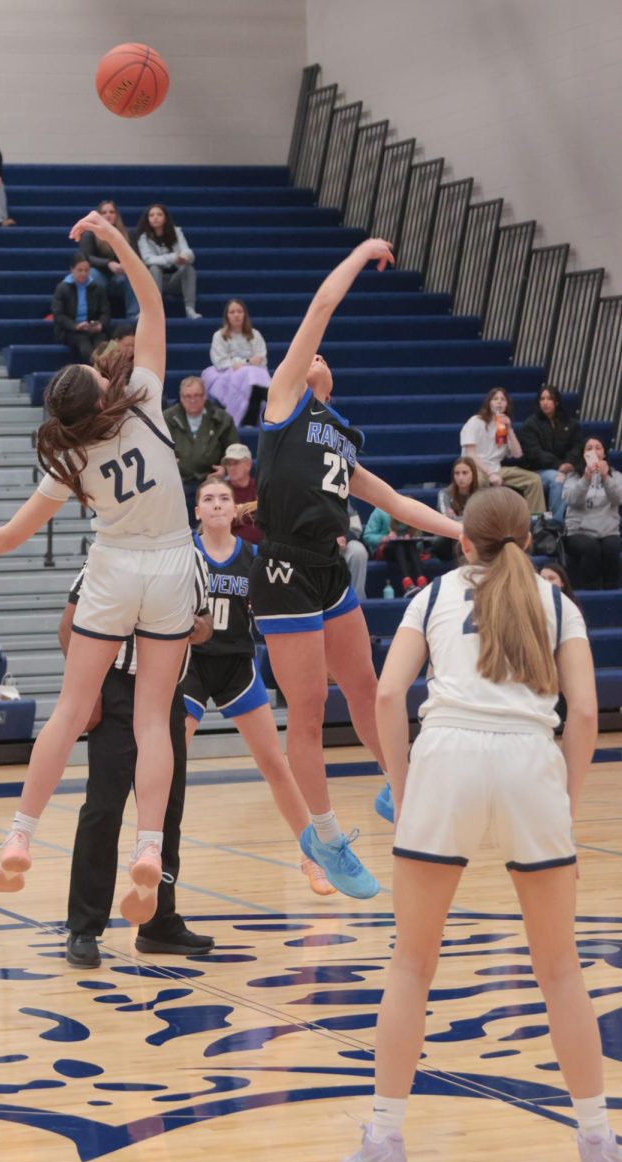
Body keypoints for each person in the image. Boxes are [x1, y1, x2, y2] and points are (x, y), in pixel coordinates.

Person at [0, 209, 196, 927]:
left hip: (114, 569)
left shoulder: (67, 454)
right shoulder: (147, 400)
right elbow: (152, 301)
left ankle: (20, 832)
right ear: (100, 390)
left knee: (69, 710)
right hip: (171, 567)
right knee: (154, 720)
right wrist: (113, 239)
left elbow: (6, 537)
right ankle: (148, 847)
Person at [338, 487, 620, 1162]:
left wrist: (403, 793)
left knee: (410, 966)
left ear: (463, 541)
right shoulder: (559, 604)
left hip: (449, 760)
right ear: (526, 538)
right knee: (560, 971)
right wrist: (566, 806)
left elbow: (383, 696)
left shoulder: (431, 597)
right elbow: (582, 714)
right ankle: (595, 1141)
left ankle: (386, 1140)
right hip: (529, 763)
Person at [247, 237, 462, 898]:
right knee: (308, 714)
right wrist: (363, 249)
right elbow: (321, 303)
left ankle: (398, 791)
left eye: (321, 358)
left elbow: (394, 501)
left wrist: (464, 532)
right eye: (308, 353)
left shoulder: (338, 438)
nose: (314, 356)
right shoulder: (282, 402)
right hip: (283, 569)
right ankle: (325, 836)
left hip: (328, 566)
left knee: (366, 690)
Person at [60, 546, 216, 964]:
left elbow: (205, 624)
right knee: (103, 809)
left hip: (167, 692)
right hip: (116, 690)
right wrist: (88, 691)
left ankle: (159, 922)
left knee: (167, 810)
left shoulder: (192, 559)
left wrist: (199, 630)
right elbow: (69, 623)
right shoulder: (110, 552)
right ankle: (84, 928)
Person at [187, 477, 335, 896]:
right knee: (169, 761)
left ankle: (311, 855)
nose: (216, 505)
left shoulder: (253, 558)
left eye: (223, 499)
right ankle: (152, 850)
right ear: (196, 511)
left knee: (275, 763)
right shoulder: (183, 554)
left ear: (235, 511)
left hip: (237, 664)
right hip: (191, 666)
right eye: (208, 499)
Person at [460, 387, 546, 515]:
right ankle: (483, 519)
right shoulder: (475, 422)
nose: (499, 402)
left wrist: (510, 429)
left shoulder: (503, 426)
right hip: (476, 468)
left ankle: (536, 520)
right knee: (481, 481)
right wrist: (489, 474)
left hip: (497, 468)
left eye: (503, 400)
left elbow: (518, 454)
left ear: (507, 404)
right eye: (495, 399)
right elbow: (470, 454)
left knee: (534, 480)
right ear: (489, 403)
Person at [164, 377, 239, 516]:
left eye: (197, 395)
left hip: (211, 481)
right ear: (181, 397)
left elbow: (234, 450)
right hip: (178, 482)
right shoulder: (167, 418)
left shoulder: (222, 419)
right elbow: (155, 448)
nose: (192, 400)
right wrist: (166, 460)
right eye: (188, 396)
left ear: (204, 396)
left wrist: (225, 469)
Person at [563, 437, 622, 590]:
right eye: (589, 448)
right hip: (578, 531)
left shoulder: (615, 476)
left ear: (604, 454)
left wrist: (605, 478)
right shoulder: (573, 476)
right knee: (591, 547)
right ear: (583, 454)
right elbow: (572, 500)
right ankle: (591, 593)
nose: (594, 451)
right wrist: (586, 479)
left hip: (608, 531)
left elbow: (618, 499)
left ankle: (612, 595)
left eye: (598, 447)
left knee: (612, 547)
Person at [518, 383, 584, 521]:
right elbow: (534, 453)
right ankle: (555, 524)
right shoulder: (530, 424)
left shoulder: (570, 423)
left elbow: (577, 447)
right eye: (542, 399)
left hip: (567, 467)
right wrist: (559, 465)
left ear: (557, 401)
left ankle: (576, 524)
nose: (545, 403)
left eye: (549, 399)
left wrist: (569, 463)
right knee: (557, 479)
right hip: (538, 470)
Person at [201, 299, 271, 426]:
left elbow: (261, 360)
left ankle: (251, 420)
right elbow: (220, 362)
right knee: (249, 377)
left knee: (253, 377)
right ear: (227, 316)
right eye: (232, 312)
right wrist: (248, 361)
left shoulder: (255, 335)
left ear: (245, 314)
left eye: (239, 311)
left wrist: (242, 364)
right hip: (227, 373)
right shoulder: (219, 336)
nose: (236, 315)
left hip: (253, 373)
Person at [136, 203, 201, 319]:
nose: (155, 217)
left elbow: (187, 251)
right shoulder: (143, 237)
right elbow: (148, 259)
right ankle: (154, 309)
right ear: (147, 219)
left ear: (165, 217)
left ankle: (189, 308)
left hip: (175, 279)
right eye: (152, 215)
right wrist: (172, 258)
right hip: (155, 279)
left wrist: (185, 257)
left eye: (159, 214)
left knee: (189, 268)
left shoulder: (176, 232)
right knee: (154, 268)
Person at [80, 199, 139, 320]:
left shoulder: (127, 234)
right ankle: (97, 317)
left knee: (134, 273)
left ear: (116, 215)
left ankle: (133, 316)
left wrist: (125, 265)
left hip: (119, 276)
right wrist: (108, 264)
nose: (108, 215)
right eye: (104, 212)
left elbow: (135, 257)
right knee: (92, 275)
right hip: (99, 273)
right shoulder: (89, 234)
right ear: (99, 215)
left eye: (111, 212)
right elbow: (86, 257)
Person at [52, 252, 111, 363]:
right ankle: (95, 369)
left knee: (102, 343)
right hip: (70, 330)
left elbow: (105, 312)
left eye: (86, 270)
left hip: (92, 328)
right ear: (72, 270)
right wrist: (76, 326)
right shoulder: (62, 288)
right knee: (84, 342)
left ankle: (103, 368)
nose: (84, 274)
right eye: (80, 270)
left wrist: (100, 324)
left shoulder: (97, 288)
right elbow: (58, 315)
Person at [362, 509, 428, 597]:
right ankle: (407, 584)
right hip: (384, 550)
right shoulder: (379, 512)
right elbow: (367, 536)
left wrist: (412, 537)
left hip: (408, 549)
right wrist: (384, 538)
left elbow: (419, 544)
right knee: (398, 543)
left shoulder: (411, 512)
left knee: (409, 543)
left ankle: (422, 581)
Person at [432, 455, 482, 560]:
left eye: (465, 473)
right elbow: (445, 520)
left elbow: (481, 519)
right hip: (447, 539)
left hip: (474, 535)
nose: (460, 477)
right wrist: (468, 518)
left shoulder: (481, 494)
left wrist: (456, 518)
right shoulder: (444, 494)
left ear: (473, 474)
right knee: (459, 535)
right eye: (457, 473)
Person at [221, 443, 263, 546]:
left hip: (261, 548)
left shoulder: (261, 488)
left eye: (235, 463)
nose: (231, 468)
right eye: (228, 464)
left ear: (248, 465)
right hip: (231, 548)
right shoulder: (221, 491)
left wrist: (238, 513)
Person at [341, 503, 369, 602]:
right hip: (313, 547)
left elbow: (356, 527)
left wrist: (345, 537)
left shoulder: (338, 493)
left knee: (358, 551)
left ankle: (356, 602)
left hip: (339, 545)